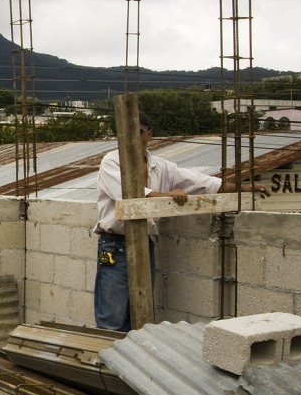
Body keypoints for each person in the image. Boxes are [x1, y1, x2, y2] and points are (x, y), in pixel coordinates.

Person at [93, 111, 269, 332]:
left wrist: (244, 188)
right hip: (115, 244)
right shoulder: (111, 161)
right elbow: (127, 194)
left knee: (140, 314)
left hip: (145, 243)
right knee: (111, 318)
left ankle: (131, 361)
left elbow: (206, 184)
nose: (131, 138)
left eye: (137, 132)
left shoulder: (162, 167)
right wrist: (166, 195)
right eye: (126, 133)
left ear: (149, 135)